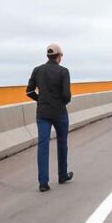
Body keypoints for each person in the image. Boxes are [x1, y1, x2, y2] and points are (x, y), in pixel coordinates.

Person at [26, 43, 74, 192]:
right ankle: (62, 175)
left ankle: (43, 183)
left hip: (43, 113)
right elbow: (67, 96)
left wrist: (40, 99)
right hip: (59, 112)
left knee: (43, 146)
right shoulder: (63, 71)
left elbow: (28, 92)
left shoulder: (37, 70)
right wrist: (59, 103)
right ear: (59, 57)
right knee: (62, 143)